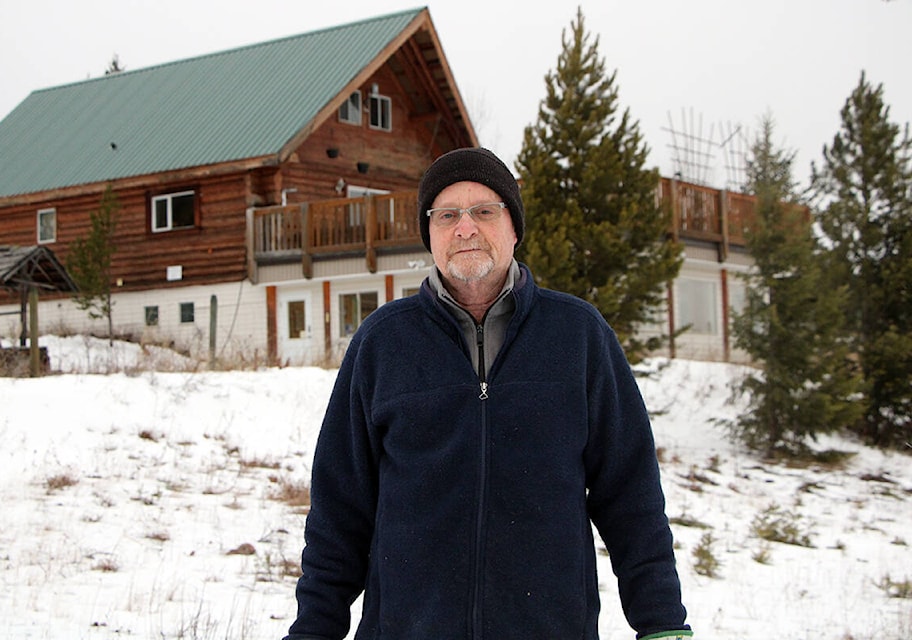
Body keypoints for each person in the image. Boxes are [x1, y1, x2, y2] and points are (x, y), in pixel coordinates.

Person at [285, 147, 692, 640]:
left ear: (514, 228)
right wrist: (313, 630)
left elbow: (632, 497)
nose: (465, 228)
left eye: (484, 211)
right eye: (447, 215)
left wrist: (662, 624)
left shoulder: (579, 337)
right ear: (430, 233)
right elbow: (338, 512)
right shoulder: (382, 344)